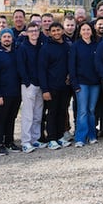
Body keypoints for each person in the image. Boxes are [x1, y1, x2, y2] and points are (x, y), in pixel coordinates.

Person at [38, 22, 72, 150]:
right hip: (51, 87)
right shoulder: (46, 48)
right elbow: (42, 70)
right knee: (52, 113)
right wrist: (45, 89)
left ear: (62, 31)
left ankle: (59, 136)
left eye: (58, 30)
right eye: (53, 31)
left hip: (65, 86)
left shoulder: (67, 46)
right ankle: (51, 138)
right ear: (50, 33)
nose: (56, 33)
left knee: (62, 112)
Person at [0, 29, 20, 155]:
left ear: (12, 39)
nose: (7, 39)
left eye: (9, 37)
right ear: (0, 39)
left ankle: (9, 141)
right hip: (2, 93)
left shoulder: (16, 54)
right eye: (4, 37)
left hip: (15, 93)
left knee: (11, 118)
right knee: (0, 119)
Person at [69, 22, 100, 146]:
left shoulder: (97, 46)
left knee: (92, 110)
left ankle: (92, 135)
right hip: (81, 83)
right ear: (80, 32)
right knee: (82, 110)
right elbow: (72, 66)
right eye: (83, 30)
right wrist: (74, 83)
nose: (86, 32)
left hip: (95, 83)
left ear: (92, 31)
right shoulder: (75, 46)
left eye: (88, 29)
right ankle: (80, 138)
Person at [16, 22, 43, 153]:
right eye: (31, 30)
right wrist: (27, 82)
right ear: (26, 33)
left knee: (38, 114)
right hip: (29, 85)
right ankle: (26, 141)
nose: (34, 33)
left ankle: (35, 138)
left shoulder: (41, 46)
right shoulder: (22, 47)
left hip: (40, 84)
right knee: (28, 114)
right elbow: (20, 66)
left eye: (36, 30)